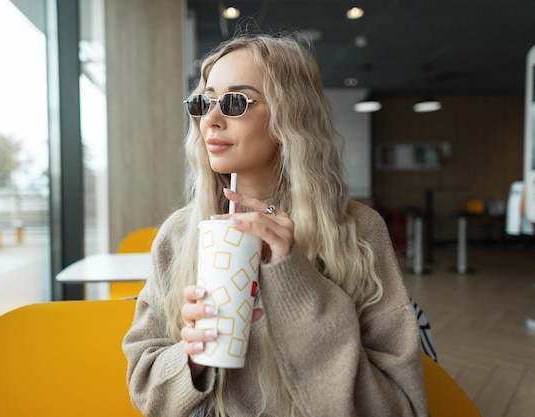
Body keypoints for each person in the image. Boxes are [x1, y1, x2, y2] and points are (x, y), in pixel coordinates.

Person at [123, 33, 428, 416]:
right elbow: (144, 385)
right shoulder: (180, 234)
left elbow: (399, 406)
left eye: (235, 102)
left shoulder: (358, 231)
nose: (211, 120)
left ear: (289, 113)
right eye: (205, 102)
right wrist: (193, 356)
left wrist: (293, 276)